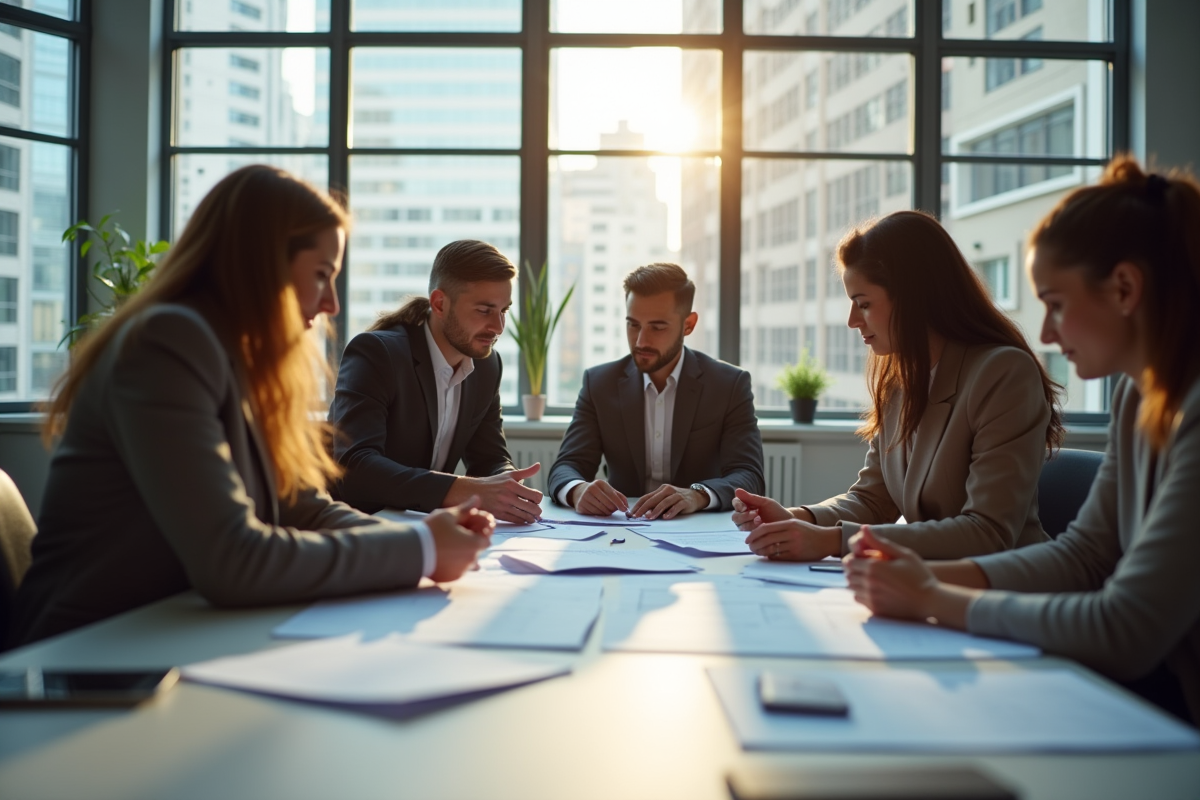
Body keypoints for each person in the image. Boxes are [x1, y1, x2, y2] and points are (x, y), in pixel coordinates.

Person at [8, 165, 493, 648]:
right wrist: (421, 548)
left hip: (174, 630)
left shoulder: (242, 362)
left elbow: (305, 508)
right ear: (263, 266)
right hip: (87, 658)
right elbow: (232, 560)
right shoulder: (167, 343)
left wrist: (428, 535)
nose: (331, 305)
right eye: (321, 276)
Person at [844, 157, 1200, 726]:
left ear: (1125, 288)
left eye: (1056, 305)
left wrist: (933, 597)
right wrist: (912, 578)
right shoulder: (1137, 401)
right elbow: (1083, 558)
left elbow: (1126, 627)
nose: (1046, 334)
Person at [734, 210, 1063, 561]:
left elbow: (988, 531)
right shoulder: (900, 378)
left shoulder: (1003, 373)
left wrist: (832, 541)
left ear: (912, 298)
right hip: (927, 586)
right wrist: (797, 518)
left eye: (863, 304)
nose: (852, 321)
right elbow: (872, 500)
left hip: (1005, 591)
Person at [328, 240, 542, 523]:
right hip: (358, 528)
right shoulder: (377, 353)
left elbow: (489, 458)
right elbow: (355, 467)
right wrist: (462, 490)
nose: (498, 327)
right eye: (484, 310)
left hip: (428, 527)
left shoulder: (487, 365)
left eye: (504, 311)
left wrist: (506, 485)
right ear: (440, 303)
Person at [548, 262, 765, 519]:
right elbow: (567, 466)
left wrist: (697, 495)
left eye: (657, 327)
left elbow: (749, 475)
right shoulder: (599, 383)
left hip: (696, 528)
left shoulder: (729, 384)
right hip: (623, 529)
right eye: (633, 324)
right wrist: (578, 490)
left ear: (689, 324)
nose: (641, 341)